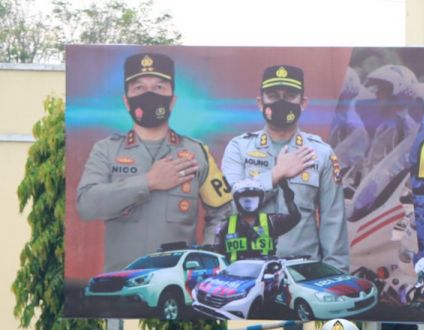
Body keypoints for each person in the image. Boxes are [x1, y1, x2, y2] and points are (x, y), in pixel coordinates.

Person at [77, 53, 231, 272]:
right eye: (139, 88)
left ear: (172, 100)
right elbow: (86, 206)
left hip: (180, 283)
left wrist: (206, 259)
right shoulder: (106, 150)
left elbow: (223, 213)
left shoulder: (197, 152)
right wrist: (148, 182)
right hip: (120, 283)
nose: (149, 94)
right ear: (126, 101)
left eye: (159, 87)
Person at [221, 65, 350, 269]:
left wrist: (337, 276)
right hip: (248, 272)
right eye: (273, 96)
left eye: (290, 96)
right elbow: (230, 207)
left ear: (303, 103)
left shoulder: (321, 153)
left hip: (303, 272)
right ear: (260, 102)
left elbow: (333, 222)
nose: (281, 102)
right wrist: (276, 175)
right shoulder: (238, 148)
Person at [219, 178, 301, 262]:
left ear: (261, 199)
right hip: (235, 269)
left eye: (253, 196)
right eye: (244, 197)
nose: (249, 200)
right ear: (236, 200)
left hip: (265, 269)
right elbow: (215, 252)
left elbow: (295, 218)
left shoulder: (271, 221)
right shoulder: (225, 225)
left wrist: (288, 196)